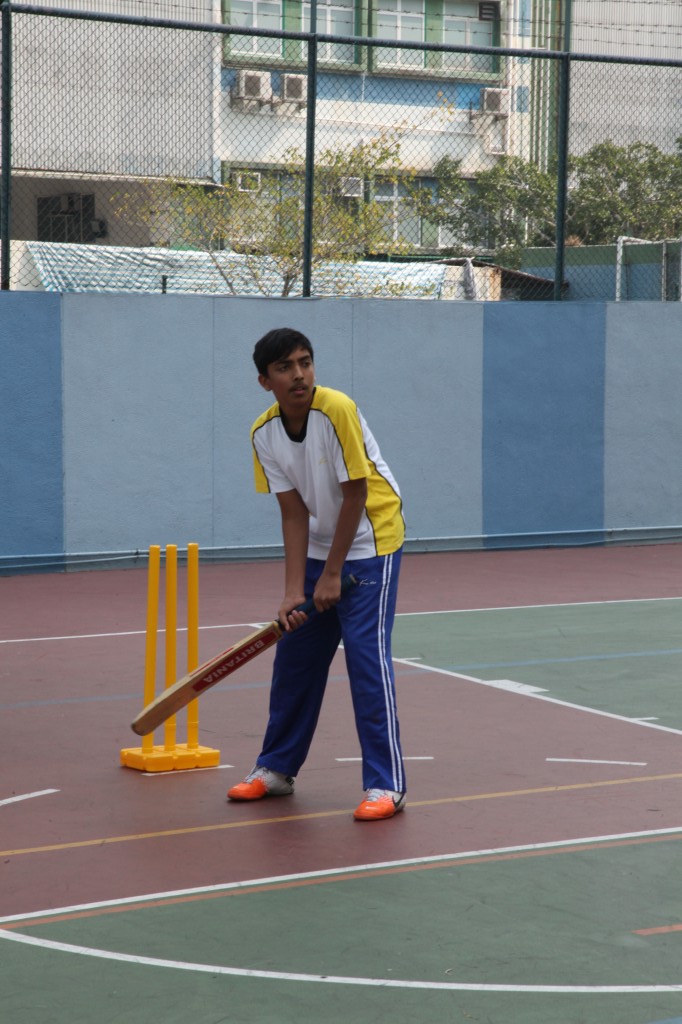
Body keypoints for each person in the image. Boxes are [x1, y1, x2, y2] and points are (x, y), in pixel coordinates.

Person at [227, 327, 407, 821]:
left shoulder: (337, 409)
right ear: (265, 381)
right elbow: (292, 513)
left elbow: (356, 495)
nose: (299, 375)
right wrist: (293, 592)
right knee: (295, 660)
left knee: (366, 663)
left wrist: (332, 574)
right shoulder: (263, 433)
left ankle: (386, 784)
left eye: (305, 362)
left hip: (372, 542)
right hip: (321, 549)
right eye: (284, 367)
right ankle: (276, 769)